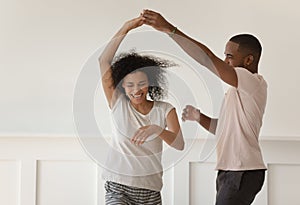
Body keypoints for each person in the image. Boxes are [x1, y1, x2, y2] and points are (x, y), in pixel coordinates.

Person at [142, 9, 267, 205]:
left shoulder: (252, 82)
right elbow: (222, 129)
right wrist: (199, 117)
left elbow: (206, 58)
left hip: (243, 171)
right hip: (231, 171)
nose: (225, 61)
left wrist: (170, 29)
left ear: (248, 60)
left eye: (229, 56)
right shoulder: (237, 92)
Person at [98, 14, 185, 205]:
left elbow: (179, 144)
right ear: (122, 86)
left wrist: (158, 129)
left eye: (141, 84)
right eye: (130, 85)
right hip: (117, 186)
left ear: (150, 84)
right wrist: (125, 28)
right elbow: (103, 61)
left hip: (150, 191)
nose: (136, 90)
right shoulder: (118, 103)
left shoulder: (165, 109)